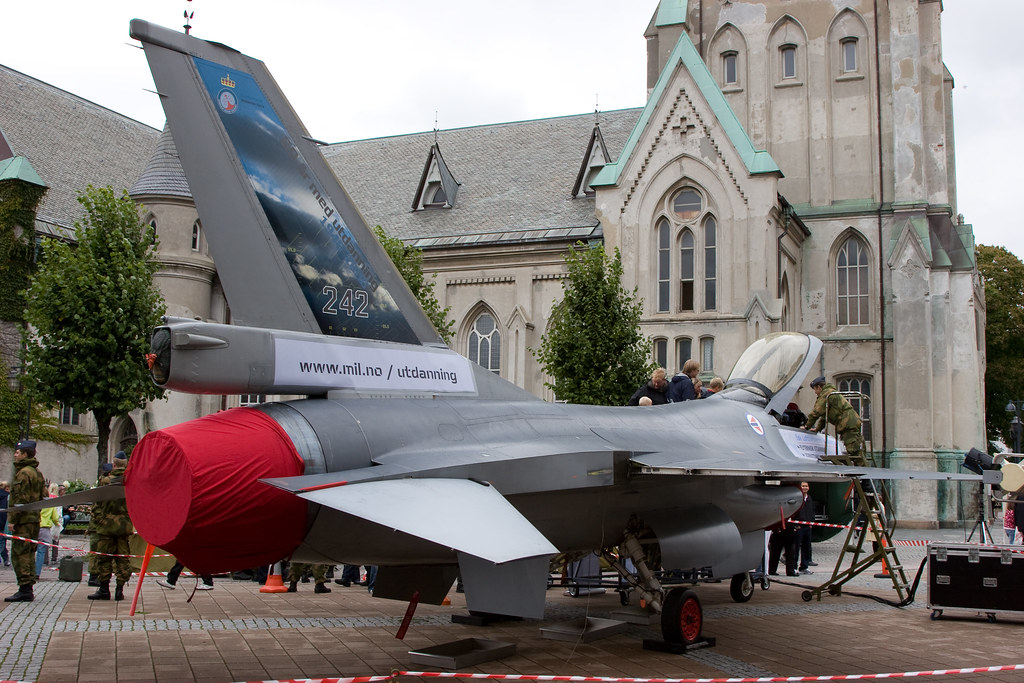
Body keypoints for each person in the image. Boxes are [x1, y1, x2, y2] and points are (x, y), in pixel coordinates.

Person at [88, 453, 133, 601]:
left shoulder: (105, 481)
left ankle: (104, 589)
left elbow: (97, 503)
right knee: (123, 558)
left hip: (106, 526)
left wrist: (99, 520)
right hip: (124, 527)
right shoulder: (130, 481)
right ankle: (119, 590)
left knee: (104, 558)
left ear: (114, 465)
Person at [5, 440, 46, 602]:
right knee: (29, 553)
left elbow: (19, 500)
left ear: (25, 454)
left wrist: (13, 520)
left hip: (23, 521)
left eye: (18, 452)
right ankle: (28, 587)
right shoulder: (37, 472)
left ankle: (24, 589)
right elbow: (43, 496)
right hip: (34, 519)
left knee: (20, 553)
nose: (15, 454)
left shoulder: (23, 473)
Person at [803, 376, 864, 460]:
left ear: (819, 387)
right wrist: (817, 429)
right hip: (850, 422)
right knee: (856, 450)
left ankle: (861, 467)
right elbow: (825, 416)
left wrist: (806, 426)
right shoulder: (830, 393)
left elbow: (816, 412)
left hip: (848, 424)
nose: (815, 393)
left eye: (815, 390)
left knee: (853, 451)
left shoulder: (826, 394)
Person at [87, 462, 113, 587]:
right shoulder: (103, 488)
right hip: (97, 526)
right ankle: (93, 576)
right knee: (95, 552)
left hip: (97, 525)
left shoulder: (101, 487)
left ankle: (96, 576)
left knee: (98, 552)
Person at [794, 482, 817, 574]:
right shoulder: (797, 499)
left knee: (806, 547)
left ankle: (804, 566)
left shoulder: (809, 499)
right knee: (796, 547)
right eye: (803, 486)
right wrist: (796, 525)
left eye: (806, 486)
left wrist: (811, 523)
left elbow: (812, 511)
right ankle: (794, 567)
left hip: (808, 526)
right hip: (799, 526)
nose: (805, 488)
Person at [36, 493, 60, 577]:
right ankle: (37, 572)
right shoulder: (50, 504)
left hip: (33, 526)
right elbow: (55, 518)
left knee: (29, 551)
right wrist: (57, 524)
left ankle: (28, 572)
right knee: (41, 551)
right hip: (44, 528)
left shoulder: (35, 502)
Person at [0, 481, 9, 567]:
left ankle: (5, 558)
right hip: (3, 522)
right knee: (2, 541)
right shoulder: (7, 497)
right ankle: (5, 559)